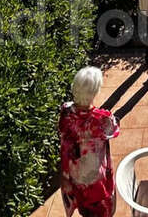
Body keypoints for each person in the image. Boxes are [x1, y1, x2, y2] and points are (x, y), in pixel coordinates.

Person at [59, 66, 121, 217]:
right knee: (101, 209)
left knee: (84, 207)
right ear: (94, 92)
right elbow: (114, 130)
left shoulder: (65, 112)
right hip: (96, 178)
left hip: (75, 175)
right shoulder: (102, 118)